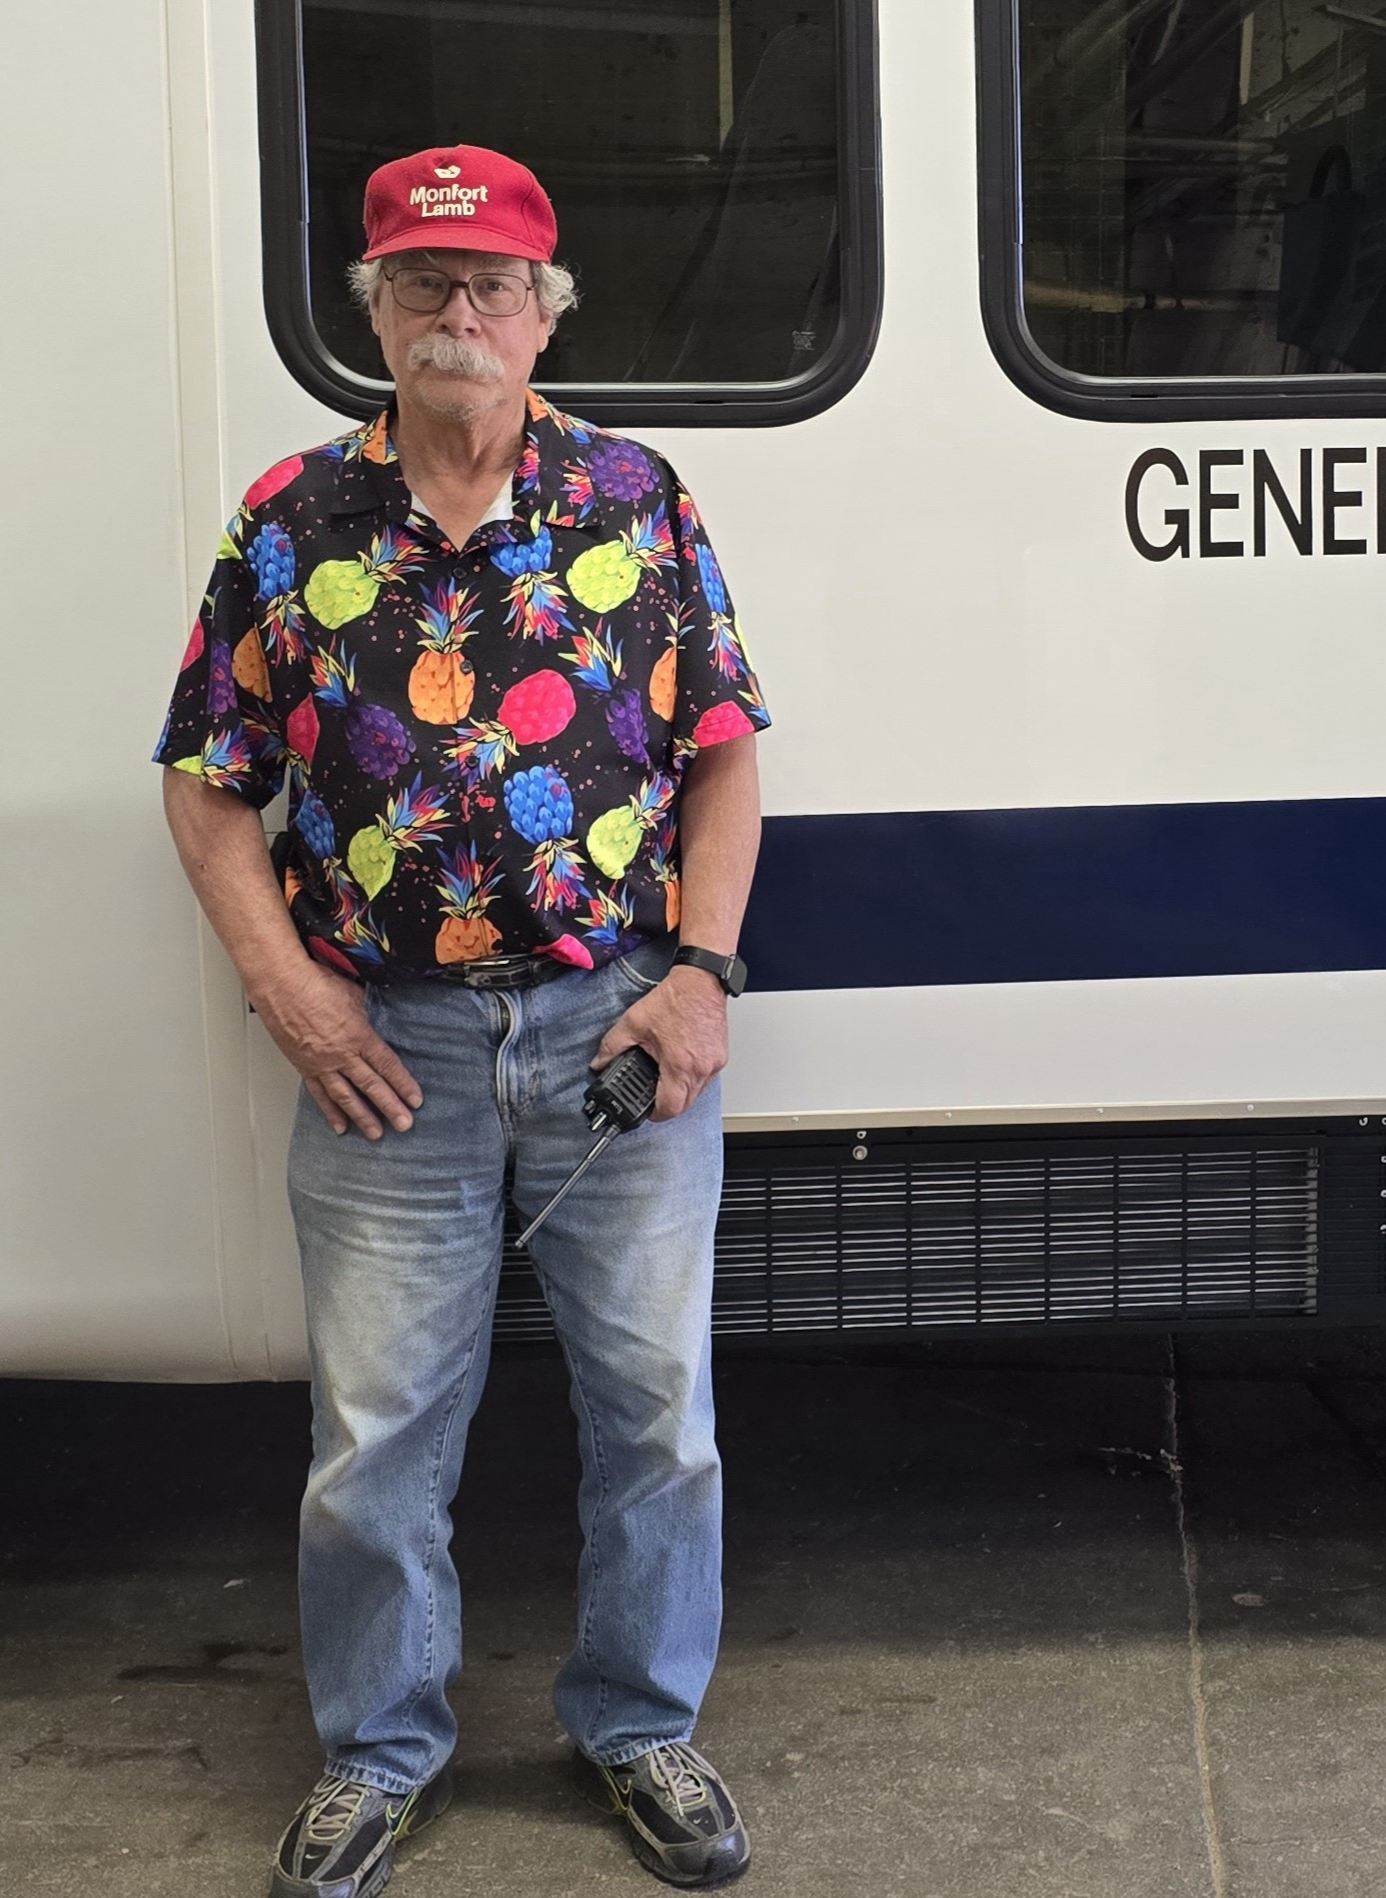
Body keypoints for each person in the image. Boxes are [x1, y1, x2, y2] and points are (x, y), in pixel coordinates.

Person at [153, 144, 770, 1897]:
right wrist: (287, 986)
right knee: (374, 1433)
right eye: (423, 285)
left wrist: (701, 974)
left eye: (493, 283)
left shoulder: (638, 501)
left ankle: (641, 1723)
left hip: (613, 1032)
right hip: (388, 1058)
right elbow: (207, 789)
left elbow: (723, 754)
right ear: (376, 309)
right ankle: (380, 1750)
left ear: (543, 307)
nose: (459, 314)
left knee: (659, 1411)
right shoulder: (290, 521)